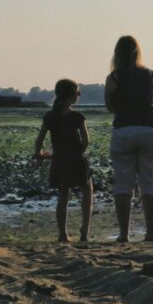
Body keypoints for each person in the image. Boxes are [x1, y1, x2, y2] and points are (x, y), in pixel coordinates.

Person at [105, 35, 153, 242]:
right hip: (150, 128)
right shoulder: (150, 74)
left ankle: (123, 234)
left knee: (123, 183)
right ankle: (150, 232)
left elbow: (110, 105)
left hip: (123, 129)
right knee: (150, 182)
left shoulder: (114, 77)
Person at [33, 79, 93, 243]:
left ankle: (62, 234)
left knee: (63, 195)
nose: (78, 96)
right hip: (76, 160)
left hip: (59, 160)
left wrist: (40, 156)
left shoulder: (50, 117)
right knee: (87, 192)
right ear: (72, 96)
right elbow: (86, 141)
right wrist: (78, 153)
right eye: (78, 93)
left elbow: (39, 141)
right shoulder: (77, 117)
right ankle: (84, 232)